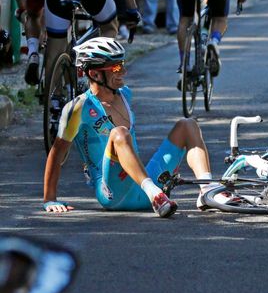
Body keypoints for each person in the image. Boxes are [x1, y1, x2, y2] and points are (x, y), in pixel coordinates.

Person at [42, 37, 229, 218]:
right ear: (95, 74)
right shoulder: (78, 108)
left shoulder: (125, 94)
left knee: (187, 125)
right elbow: (57, 152)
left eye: (123, 64)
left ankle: (208, 190)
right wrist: (50, 199)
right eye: (116, 67)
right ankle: (154, 193)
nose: (123, 71)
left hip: (144, 184)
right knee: (119, 133)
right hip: (113, 193)